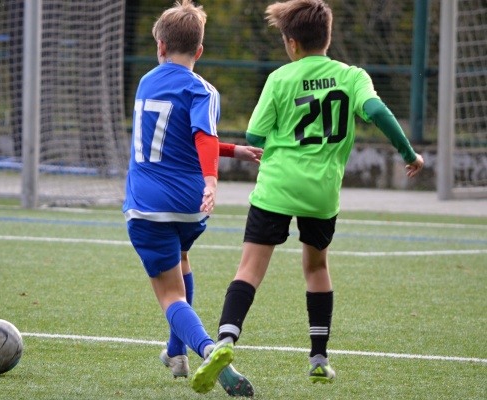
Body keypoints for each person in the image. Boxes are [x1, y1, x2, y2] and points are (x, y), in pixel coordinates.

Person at [192, 0, 425, 390]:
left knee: (250, 268)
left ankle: (226, 340)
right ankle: (319, 359)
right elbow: (378, 112)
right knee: (316, 267)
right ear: (327, 37)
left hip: (277, 187)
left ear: (292, 43)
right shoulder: (352, 76)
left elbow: (254, 136)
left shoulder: (280, 78)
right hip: (321, 193)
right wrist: (409, 154)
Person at [122, 0, 261, 396]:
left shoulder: (146, 82)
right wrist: (229, 155)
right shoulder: (203, 90)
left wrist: (212, 179)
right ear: (199, 50)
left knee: (170, 294)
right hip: (190, 208)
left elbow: (191, 137)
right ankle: (175, 354)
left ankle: (208, 350)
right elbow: (199, 136)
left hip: (148, 206)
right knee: (181, 259)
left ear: (160, 46)